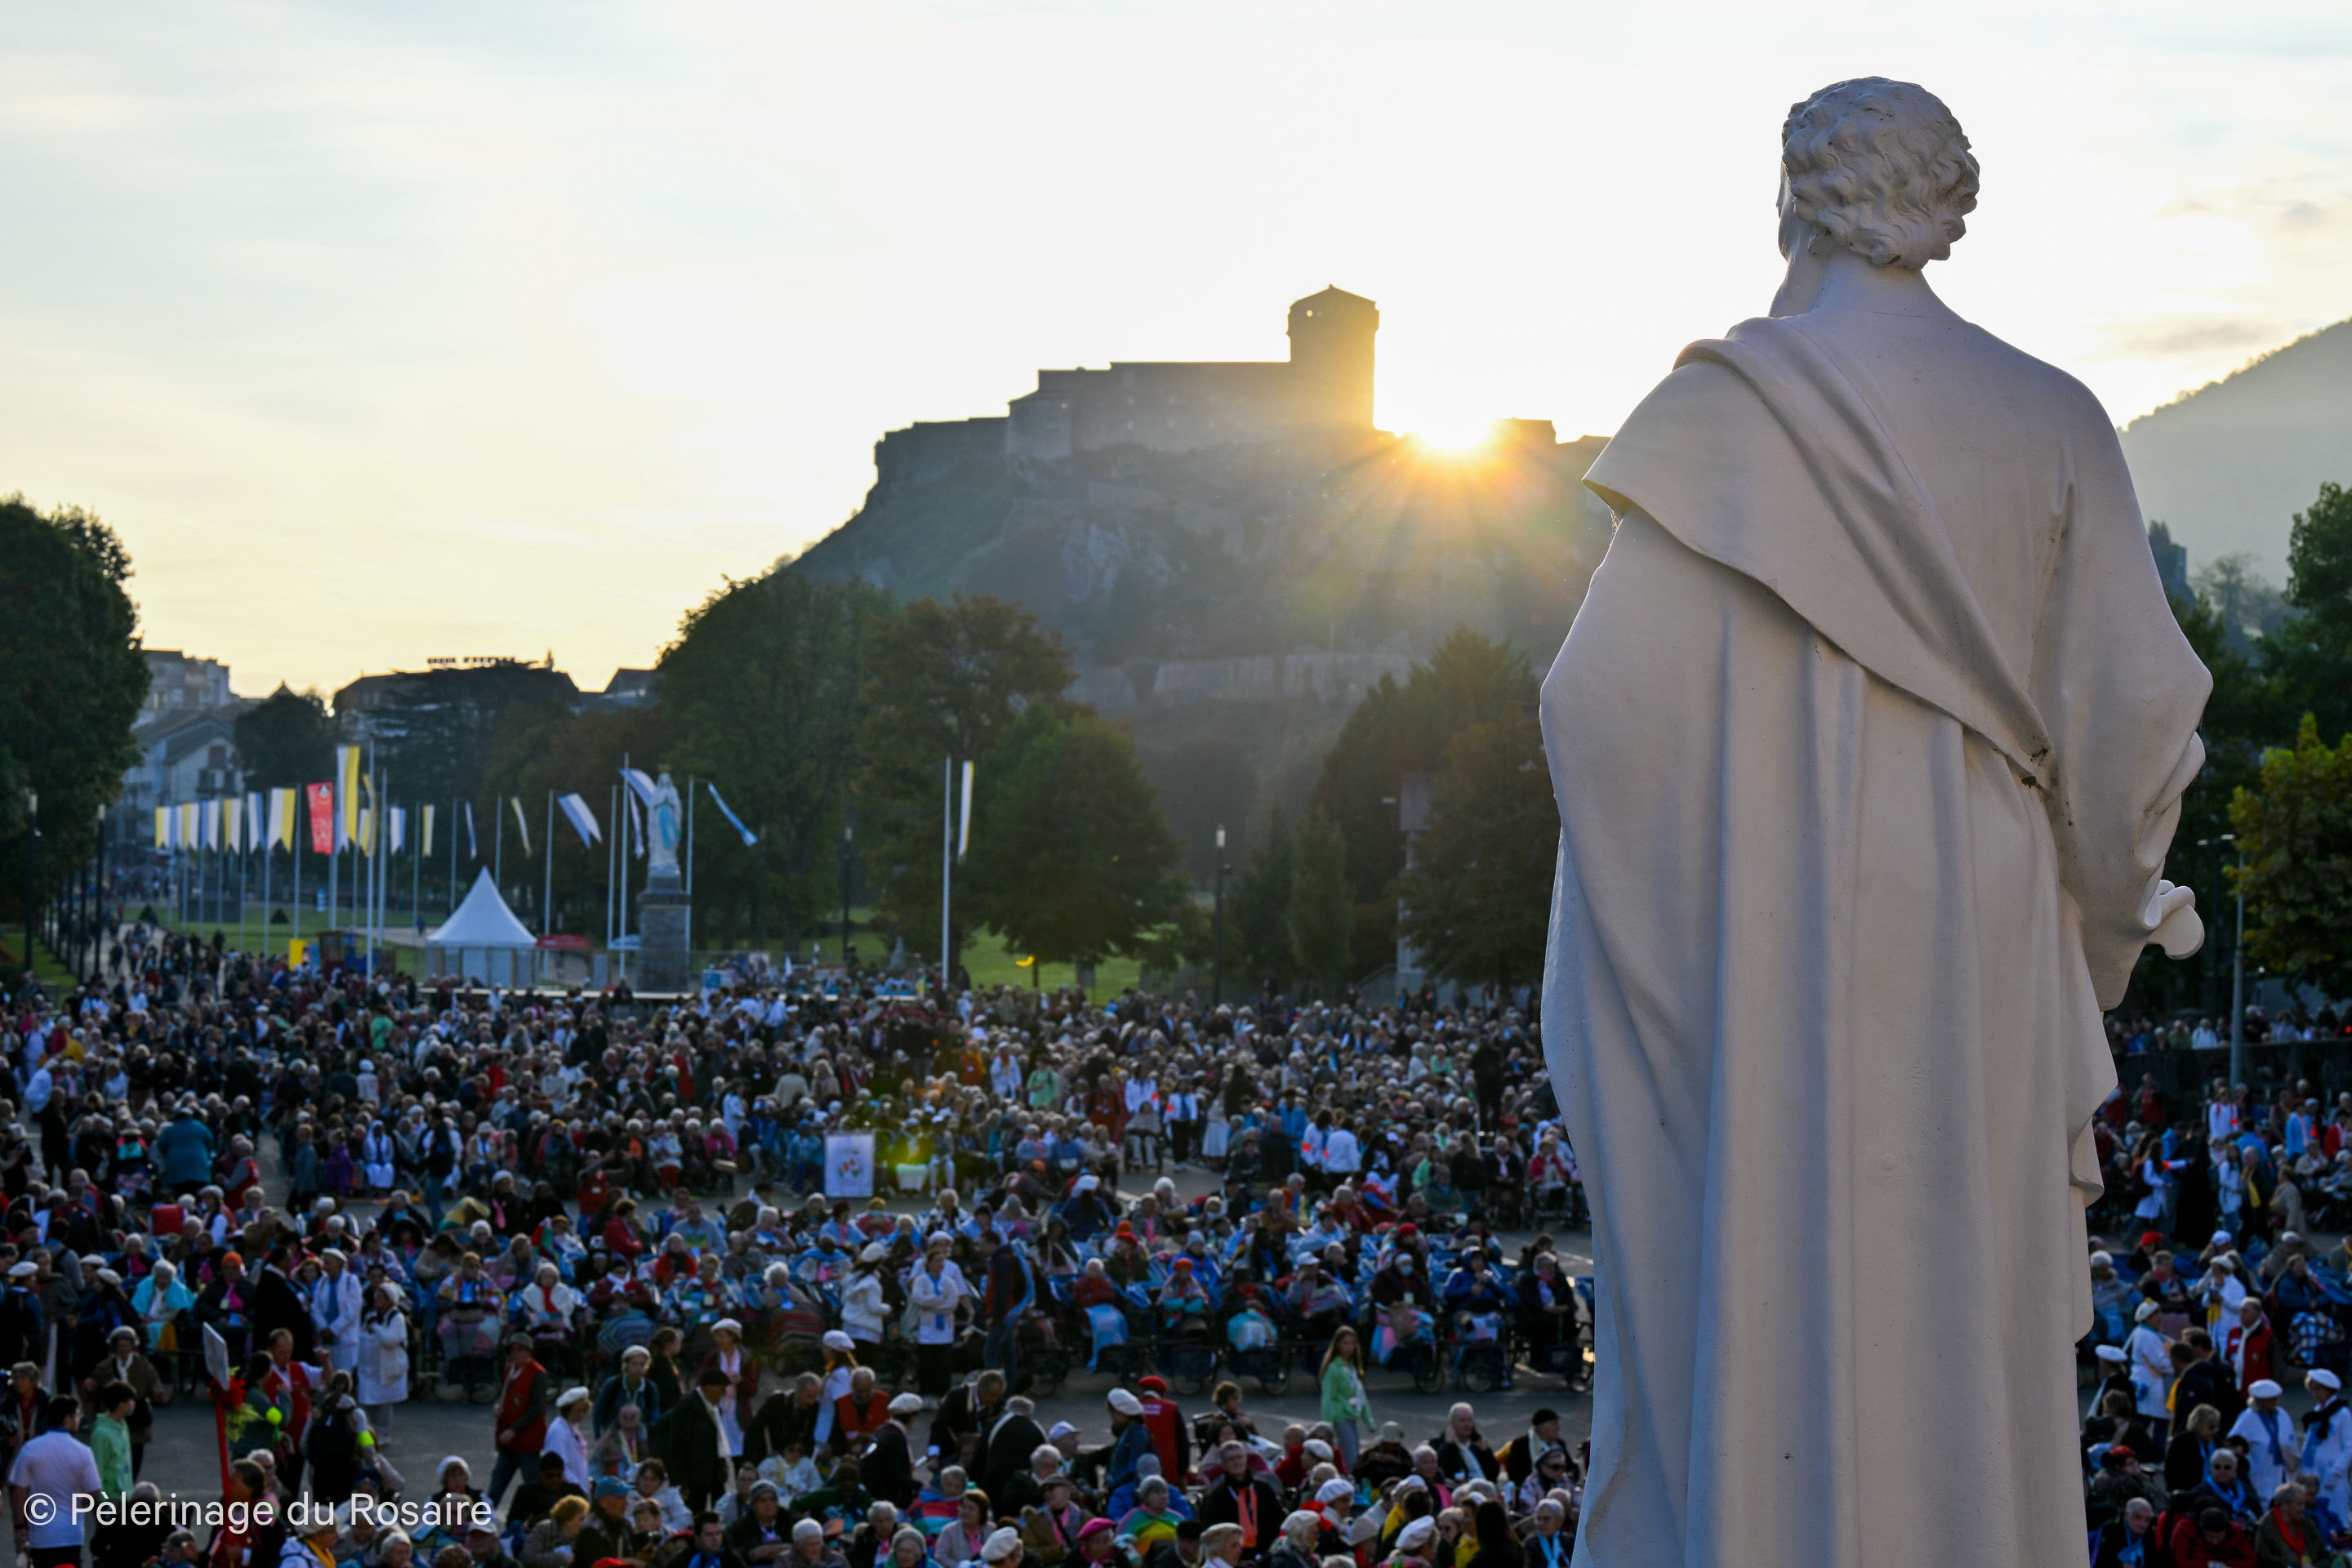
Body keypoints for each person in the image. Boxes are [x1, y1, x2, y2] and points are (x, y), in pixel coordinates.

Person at [9, 1393, 98, 1568]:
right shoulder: (83, 1452)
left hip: (41, 1536)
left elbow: (19, 1492)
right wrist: (79, 1501)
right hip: (71, 1535)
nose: (78, 1420)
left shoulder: (30, 1449)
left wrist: (19, 1527)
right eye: (77, 1415)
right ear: (67, 1419)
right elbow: (94, 1491)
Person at [656, 1366, 742, 1515]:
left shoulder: (715, 1409)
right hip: (693, 1476)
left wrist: (722, 1465)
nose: (722, 1395)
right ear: (708, 1388)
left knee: (719, 1513)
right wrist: (681, 1481)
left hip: (713, 1475)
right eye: (721, 1390)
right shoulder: (687, 1407)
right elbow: (676, 1446)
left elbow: (717, 1440)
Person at [1319, 1330, 1370, 1470]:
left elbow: (1360, 1395)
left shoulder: (1352, 1367)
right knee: (1350, 1457)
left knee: (1355, 1453)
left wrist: (1368, 1420)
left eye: (1352, 1343)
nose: (1349, 1347)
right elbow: (1328, 1398)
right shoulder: (1333, 1369)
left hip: (1352, 1416)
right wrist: (1327, 1425)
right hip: (1340, 1417)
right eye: (1345, 1343)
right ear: (1337, 1345)